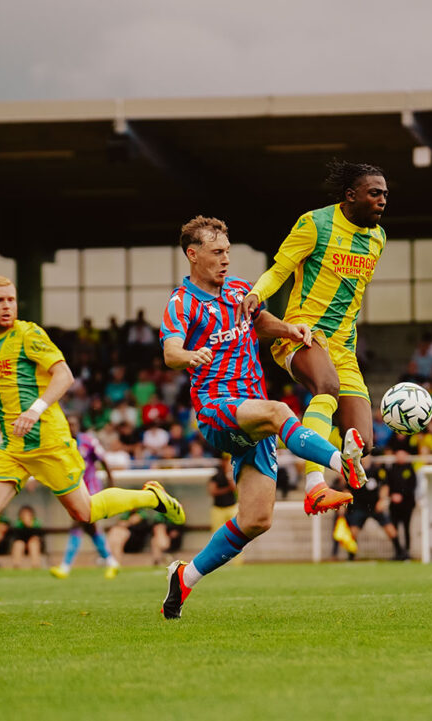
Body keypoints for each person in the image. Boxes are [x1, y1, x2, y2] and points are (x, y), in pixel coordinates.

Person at [0, 275, 185, 616]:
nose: (7, 306)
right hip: (12, 448)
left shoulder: (28, 334)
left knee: (84, 512)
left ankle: (151, 496)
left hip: (48, 440)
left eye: (11, 299)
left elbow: (64, 375)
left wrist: (34, 411)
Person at [159, 216, 365, 619]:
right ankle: (339, 465)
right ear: (193, 254)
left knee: (256, 520)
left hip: (252, 414)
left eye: (228, 252)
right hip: (217, 406)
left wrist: (289, 329)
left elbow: (259, 320)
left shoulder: (238, 291)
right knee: (280, 411)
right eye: (217, 253)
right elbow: (170, 351)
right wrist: (190, 356)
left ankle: (185, 578)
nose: (225, 260)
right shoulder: (180, 303)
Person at [237, 160, 389, 503]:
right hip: (302, 333)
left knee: (362, 440)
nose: (382, 200)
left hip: (344, 348)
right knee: (327, 387)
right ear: (351, 196)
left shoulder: (378, 238)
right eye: (374, 193)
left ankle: (302, 439)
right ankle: (314, 485)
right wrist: (256, 294)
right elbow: (280, 270)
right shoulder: (315, 224)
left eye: (385, 194)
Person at [50, 419, 121, 580]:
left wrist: (111, 484)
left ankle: (65, 566)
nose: (71, 427)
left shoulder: (88, 441)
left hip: (91, 489)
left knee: (78, 523)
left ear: (78, 426)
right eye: (68, 424)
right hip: (74, 491)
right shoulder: (61, 443)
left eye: (73, 424)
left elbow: (103, 460)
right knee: (90, 527)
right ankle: (111, 561)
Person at [345, 456, 408, 561]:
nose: (365, 458)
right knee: (353, 531)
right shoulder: (354, 471)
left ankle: (400, 553)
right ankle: (351, 555)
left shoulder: (377, 470)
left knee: (390, 529)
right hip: (360, 506)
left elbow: (385, 486)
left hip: (375, 506)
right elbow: (347, 489)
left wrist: (382, 500)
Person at [382, 448, 417, 556]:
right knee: (394, 528)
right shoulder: (391, 469)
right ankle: (397, 552)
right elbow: (386, 485)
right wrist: (392, 495)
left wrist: (402, 495)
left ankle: (407, 551)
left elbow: (412, 485)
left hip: (407, 504)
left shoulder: (410, 469)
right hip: (394, 505)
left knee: (407, 528)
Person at [209, 454, 238, 532]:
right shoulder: (216, 476)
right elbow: (212, 491)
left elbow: (234, 488)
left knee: (234, 532)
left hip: (231, 507)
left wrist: (228, 474)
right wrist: (228, 489)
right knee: (217, 532)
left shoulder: (232, 475)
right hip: (218, 509)